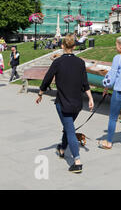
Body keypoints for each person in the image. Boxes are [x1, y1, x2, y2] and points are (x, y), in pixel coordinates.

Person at [36, 34, 94, 174]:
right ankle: (62, 149)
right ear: (74, 47)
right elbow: (85, 83)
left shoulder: (58, 62)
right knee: (68, 127)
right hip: (77, 104)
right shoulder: (80, 62)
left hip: (63, 103)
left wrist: (40, 93)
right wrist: (90, 98)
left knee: (70, 130)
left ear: (62, 46)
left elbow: (47, 78)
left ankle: (77, 162)